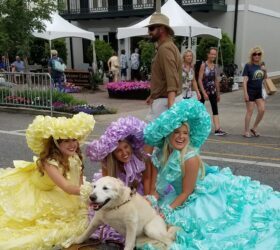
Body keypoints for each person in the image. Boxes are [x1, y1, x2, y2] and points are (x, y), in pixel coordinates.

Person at [140, 99, 280, 249]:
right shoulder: (163, 155)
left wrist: (166, 211)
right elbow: (158, 189)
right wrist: (149, 200)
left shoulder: (190, 157)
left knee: (222, 230)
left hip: (197, 196)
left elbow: (187, 192)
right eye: (176, 132)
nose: (181, 137)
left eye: (185, 133)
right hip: (178, 196)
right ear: (168, 135)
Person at [0, 112, 95, 249]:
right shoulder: (49, 163)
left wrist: (86, 199)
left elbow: (78, 184)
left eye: (74, 139)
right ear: (56, 143)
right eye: (66, 140)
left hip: (57, 190)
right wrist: (91, 191)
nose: (72, 144)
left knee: (82, 214)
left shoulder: (75, 157)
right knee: (28, 224)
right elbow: (67, 187)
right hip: (36, 192)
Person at [86, 116, 149, 246]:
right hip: (116, 196)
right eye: (118, 151)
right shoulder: (109, 166)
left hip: (138, 193)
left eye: (126, 147)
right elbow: (107, 189)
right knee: (109, 220)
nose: (124, 152)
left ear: (131, 145)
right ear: (113, 154)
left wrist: (148, 198)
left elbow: (147, 179)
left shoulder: (140, 159)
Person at [145, 12, 183, 122]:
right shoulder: (169, 46)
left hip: (165, 103)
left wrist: (171, 109)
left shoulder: (165, 49)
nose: (149, 32)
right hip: (166, 100)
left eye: (151, 28)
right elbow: (164, 77)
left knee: (154, 137)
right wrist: (153, 95)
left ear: (161, 29)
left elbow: (171, 79)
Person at [198, 47, 227, 136]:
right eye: (212, 54)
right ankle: (198, 128)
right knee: (200, 110)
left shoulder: (216, 66)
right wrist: (203, 93)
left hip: (213, 90)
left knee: (215, 109)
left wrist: (218, 93)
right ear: (208, 54)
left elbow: (216, 80)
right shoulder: (203, 65)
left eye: (215, 54)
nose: (213, 56)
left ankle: (217, 129)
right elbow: (199, 79)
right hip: (204, 90)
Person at [242, 46, 267, 138]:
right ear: (252, 55)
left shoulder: (262, 64)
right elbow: (244, 80)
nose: (257, 56)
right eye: (255, 54)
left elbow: (265, 77)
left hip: (258, 91)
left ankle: (254, 128)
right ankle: (246, 131)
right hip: (250, 91)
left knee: (262, 109)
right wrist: (245, 93)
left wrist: (265, 70)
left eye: (259, 54)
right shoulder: (248, 65)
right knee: (250, 111)